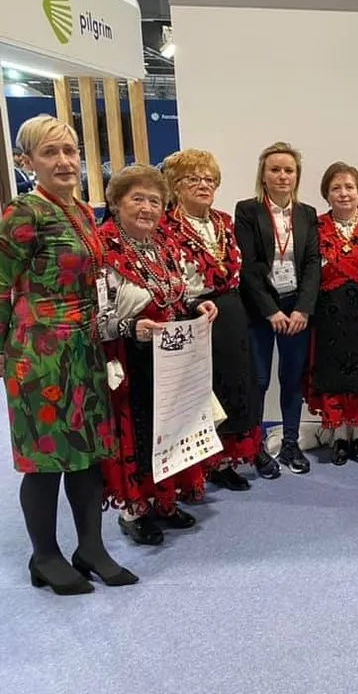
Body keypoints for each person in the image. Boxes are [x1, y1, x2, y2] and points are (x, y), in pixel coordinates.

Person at [0, 114, 136, 594]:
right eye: (49, 152)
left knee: (89, 454)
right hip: (37, 354)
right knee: (45, 459)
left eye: (70, 151)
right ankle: (44, 556)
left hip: (85, 347)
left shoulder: (80, 210)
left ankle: (90, 548)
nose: (63, 161)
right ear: (27, 162)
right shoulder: (23, 213)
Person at [97, 164, 218, 545]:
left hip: (168, 356)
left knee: (169, 428)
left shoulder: (161, 245)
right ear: (116, 203)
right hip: (128, 358)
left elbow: (174, 296)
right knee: (136, 435)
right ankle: (134, 511)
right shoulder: (102, 249)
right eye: (138, 199)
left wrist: (196, 307)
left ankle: (164, 500)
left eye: (154, 201)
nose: (148, 208)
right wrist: (130, 327)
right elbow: (93, 315)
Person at [161, 150, 264, 487]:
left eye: (209, 179)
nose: (204, 185)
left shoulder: (223, 221)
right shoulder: (166, 226)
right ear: (176, 186)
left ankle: (228, 458)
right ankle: (204, 464)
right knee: (205, 389)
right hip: (193, 314)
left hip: (231, 311)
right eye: (193, 179)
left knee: (236, 384)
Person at [235, 142, 321, 476]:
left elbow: (312, 264)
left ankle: (290, 443)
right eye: (275, 170)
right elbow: (248, 265)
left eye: (289, 170)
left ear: (297, 176)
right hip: (261, 309)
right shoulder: (247, 210)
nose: (282, 176)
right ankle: (255, 448)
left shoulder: (307, 213)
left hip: (296, 308)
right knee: (259, 380)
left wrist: (303, 309)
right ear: (263, 175)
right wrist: (271, 310)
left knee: (292, 378)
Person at [303, 161, 358, 465]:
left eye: (349, 187)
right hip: (329, 315)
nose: (343, 193)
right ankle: (340, 435)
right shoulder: (313, 228)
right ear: (326, 194)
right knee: (334, 375)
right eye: (336, 188)